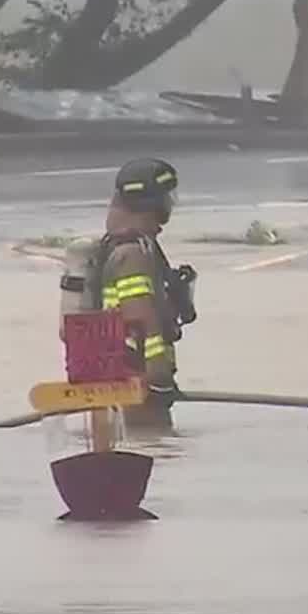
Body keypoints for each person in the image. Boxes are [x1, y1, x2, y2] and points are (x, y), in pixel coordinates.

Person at [90, 157, 196, 433]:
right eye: (166, 197)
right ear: (149, 201)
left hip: (122, 384)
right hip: (137, 387)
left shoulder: (125, 246)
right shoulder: (133, 255)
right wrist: (158, 379)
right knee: (151, 446)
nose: (169, 205)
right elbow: (139, 320)